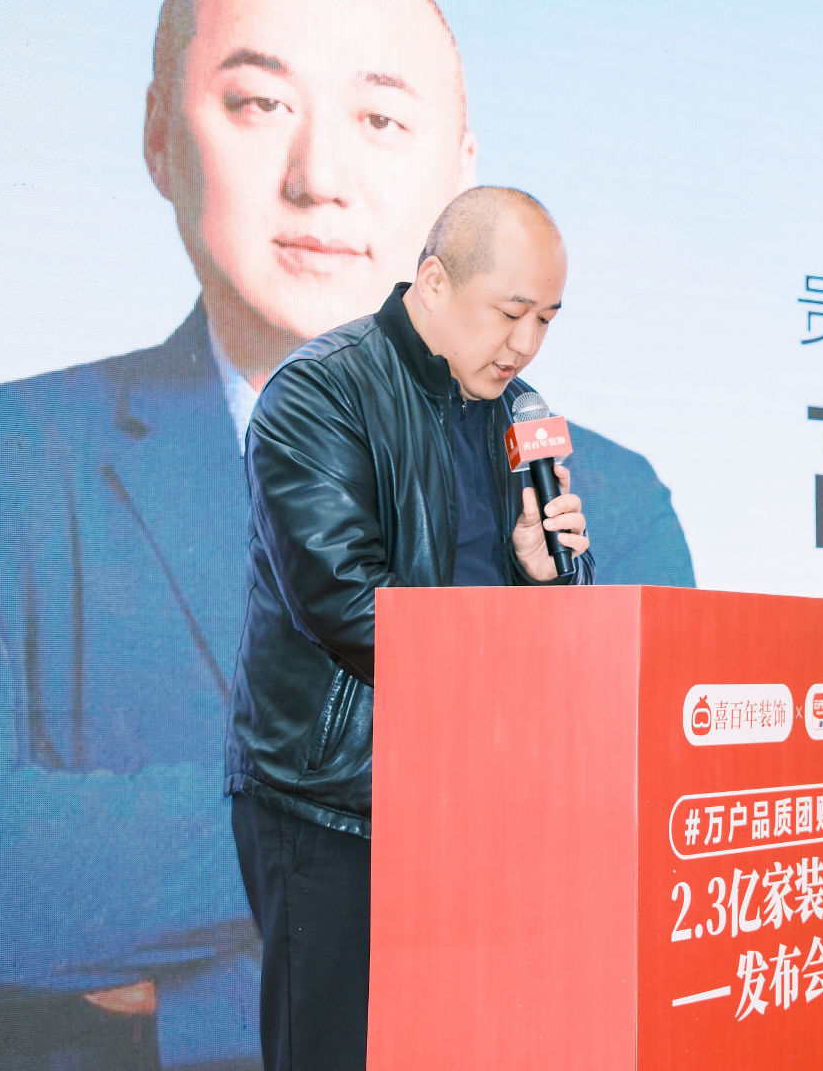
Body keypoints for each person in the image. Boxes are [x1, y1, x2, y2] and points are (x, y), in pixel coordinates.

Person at [0, 0, 690, 1068]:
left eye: (380, 119)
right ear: (159, 133)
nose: (319, 178)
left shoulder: (602, 497)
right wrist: (456, 786)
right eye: (259, 103)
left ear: (459, 177)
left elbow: (636, 881)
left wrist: (190, 990)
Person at [227, 185, 588, 1071]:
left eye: (546, 320)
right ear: (433, 282)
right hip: (336, 804)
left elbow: (554, 637)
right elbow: (348, 605)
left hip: (476, 801)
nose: (526, 344)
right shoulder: (322, 392)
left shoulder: (520, 414)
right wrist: (503, 655)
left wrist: (544, 577)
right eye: (510, 313)